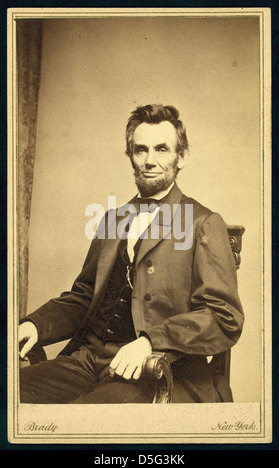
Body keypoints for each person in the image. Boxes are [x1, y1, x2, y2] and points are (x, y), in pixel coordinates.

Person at [19, 104, 244, 404]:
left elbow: (224, 317)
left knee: (87, 417)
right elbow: (85, 296)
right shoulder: (113, 219)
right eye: (141, 150)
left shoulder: (203, 222)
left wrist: (151, 341)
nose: (150, 161)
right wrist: (35, 324)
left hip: (162, 370)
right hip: (90, 359)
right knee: (12, 391)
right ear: (130, 156)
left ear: (182, 157)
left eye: (162, 149)